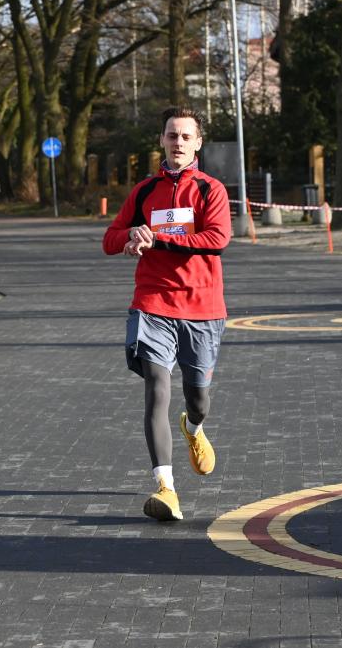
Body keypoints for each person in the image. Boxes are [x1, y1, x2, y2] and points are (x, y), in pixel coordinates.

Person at [102, 107, 231, 522]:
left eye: (185, 136)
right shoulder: (144, 192)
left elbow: (217, 238)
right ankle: (166, 488)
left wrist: (157, 239)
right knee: (157, 386)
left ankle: (193, 427)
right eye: (171, 135)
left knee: (198, 399)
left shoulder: (211, 190)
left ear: (197, 144)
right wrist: (131, 233)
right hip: (153, 302)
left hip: (202, 307)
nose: (178, 142)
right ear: (161, 140)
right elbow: (109, 239)